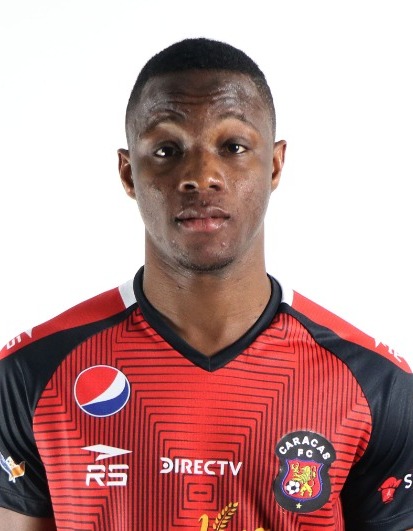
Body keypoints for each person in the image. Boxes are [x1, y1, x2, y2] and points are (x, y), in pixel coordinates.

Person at [0, 37, 412, 531]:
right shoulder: (32, 373)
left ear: (274, 165)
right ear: (128, 173)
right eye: (167, 150)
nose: (201, 176)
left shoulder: (375, 384)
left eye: (233, 147)